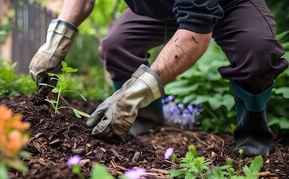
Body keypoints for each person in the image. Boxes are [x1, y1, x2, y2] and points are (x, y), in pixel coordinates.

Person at [29, 0, 288, 156]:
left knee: (258, 53)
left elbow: (195, 33)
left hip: (231, 4)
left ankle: (252, 136)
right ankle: (143, 120)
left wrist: (133, 94)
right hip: (161, 7)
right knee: (117, 45)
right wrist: (56, 43)